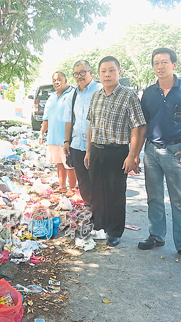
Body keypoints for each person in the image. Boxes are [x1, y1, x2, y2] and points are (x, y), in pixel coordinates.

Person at [138, 48, 181, 265]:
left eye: (164, 62)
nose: (160, 66)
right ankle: (156, 235)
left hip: (175, 151)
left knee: (179, 200)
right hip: (151, 150)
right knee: (154, 197)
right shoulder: (148, 93)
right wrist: (136, 153)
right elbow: (143, 124)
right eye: (156, 63)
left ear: (174, 65)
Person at [84, 56, 147, 247]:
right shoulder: (96, 95)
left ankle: (114, 231)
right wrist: (88, 152)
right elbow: (91, 125)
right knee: (96, 191)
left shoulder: (128, 95)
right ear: (99, 74)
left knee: (115, 193)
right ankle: (99, 226)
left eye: (111, 70)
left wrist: (132, 155)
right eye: (103, 71)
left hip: (117, 151)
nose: (107, 74)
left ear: (119, 72)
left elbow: (138, 126)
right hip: (96, 149)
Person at [63, 60, 103, 208]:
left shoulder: (101, 90)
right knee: (83, 181)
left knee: (98, 181)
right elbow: (68, 120)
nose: (79, 76)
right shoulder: (73, 95)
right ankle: (89, 210)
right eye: (76, 73)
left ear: (91, 73)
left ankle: (100, 213)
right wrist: (66, 142)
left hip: (96, 146)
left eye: (82, 72)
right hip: (77, 145)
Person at [39, 71, 77, 192]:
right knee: (59, 163)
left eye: (59, 79)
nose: (56, 82)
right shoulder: (51, 98)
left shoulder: (73, 94)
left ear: (65, 80)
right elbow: (46, 119)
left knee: (69, 165)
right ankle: (62, 187)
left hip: (67, 138)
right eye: (54, 80)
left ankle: (72, 188)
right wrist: (41, 134)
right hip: (53, 138)